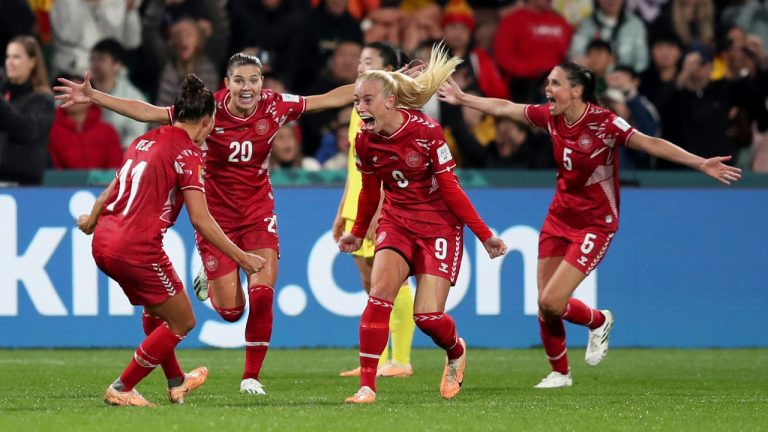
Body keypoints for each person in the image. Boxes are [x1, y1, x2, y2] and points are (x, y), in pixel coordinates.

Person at [55, 52, 355, 395]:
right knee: (230, 312)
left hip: (258, 211)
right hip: (214, 218)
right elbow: (147, 111)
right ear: (226, 85)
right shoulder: (205, 112)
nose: (247, 87)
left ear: (262, 84)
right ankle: (198, 300)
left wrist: (378, 85)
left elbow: (329, 98)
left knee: (262, 294)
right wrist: (95, 97)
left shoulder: (275, 106)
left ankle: (250, 377)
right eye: (239, 80)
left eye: (254, 80)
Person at [439, 61, 742, 389]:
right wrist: (462, 98)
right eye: (548, 83)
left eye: (555, 83)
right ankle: (560, 373)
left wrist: (700, 163)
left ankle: (599, 320)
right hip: (559, 216)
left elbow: (650, 143)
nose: (548, 90)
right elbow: (505, 107)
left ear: (577, 90)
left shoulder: (605, 124)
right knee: (544, 301)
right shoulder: (551, 117)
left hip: (596, 223)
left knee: (552, 301)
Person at [76, 74, 265, 406]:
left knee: (158, 311)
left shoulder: (144, 141)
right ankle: (122, 388)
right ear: (207, 122)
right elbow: (202, 221)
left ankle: (177, 382)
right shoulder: (188, 154)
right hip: (137, 249)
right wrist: (243, 258)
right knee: (183, 321)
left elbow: (113, 187)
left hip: (105, 241)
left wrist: (92, 218)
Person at [338, 43, 508, 404]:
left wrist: (485, 235)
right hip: (397, 222)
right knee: (379, 295)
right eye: (357, 101)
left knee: (428, 317)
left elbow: (451, 189)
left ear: (389, 101)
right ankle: (367, 386)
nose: (360, 108)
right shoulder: (365, 140)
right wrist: (357, 230)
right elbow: (369, 191)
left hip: (438, 227)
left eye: (367, 100)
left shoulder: (427, 132)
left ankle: (456, 350)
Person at [332, 42, 417, 380]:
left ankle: (403, 359)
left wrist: (380, 211)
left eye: (370, 62)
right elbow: (358, 166)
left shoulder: (391, 114)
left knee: (391, 283)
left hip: (381, 205)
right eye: (360, 61)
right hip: (358, 202)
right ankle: (379, 359)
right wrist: (343, 209)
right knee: (372, 286)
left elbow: (388, 167)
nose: (361, 67)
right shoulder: (360, 109)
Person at [0, 35, 54, 185]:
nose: (9, 62)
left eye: (16, 57)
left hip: (23, 183)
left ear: (32, 62)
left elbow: (27, 130)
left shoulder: (43, 99)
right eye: (8, 57)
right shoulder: (4, 94)